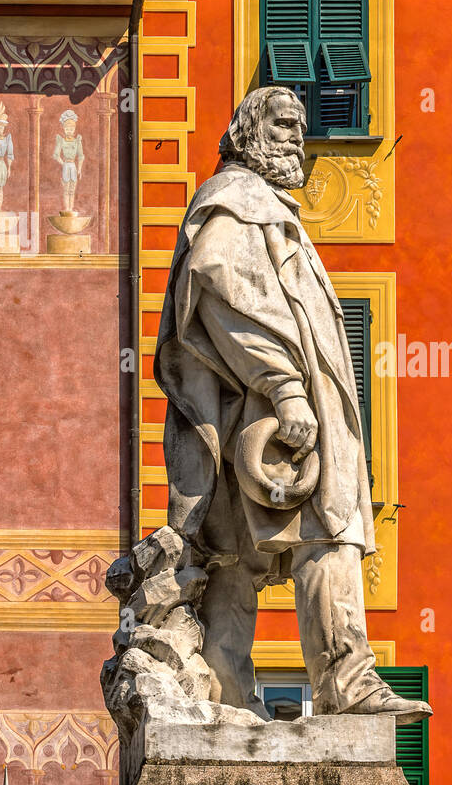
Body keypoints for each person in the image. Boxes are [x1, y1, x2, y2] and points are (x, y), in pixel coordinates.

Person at [153, 86, 431, 725]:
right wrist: (284, 385)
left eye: (300, 125)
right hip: (266, 415)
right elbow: (223, 292)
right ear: (247, 131)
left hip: (260, 414)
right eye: (282, 123)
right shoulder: (236, 205)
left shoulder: (268, 210)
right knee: (319, 537)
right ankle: (342, 684)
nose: (295, 135)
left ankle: (230, 698)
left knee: (241, 556)